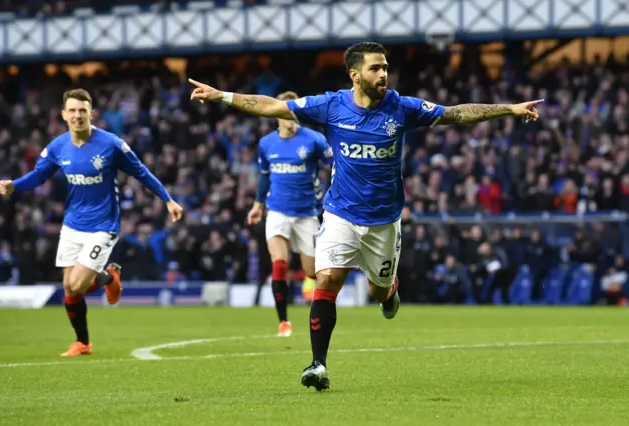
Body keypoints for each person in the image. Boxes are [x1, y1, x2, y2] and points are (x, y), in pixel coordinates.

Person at [189, 41, 543, 391]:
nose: (383, 74)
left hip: (384, 222)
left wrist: (509, 109)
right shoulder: (330, 106)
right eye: (376, 68)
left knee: (377, 290)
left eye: (385, 67)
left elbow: (455, 113)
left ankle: (390, 292)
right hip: (340, 213)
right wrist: (222, 95)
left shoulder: (402, 108)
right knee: (326, 280)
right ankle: (318, 365)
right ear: (355, 74)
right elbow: (271, 107)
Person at [0, 89, 183, 357]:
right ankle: (84, 340)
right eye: (72, 111)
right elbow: (39, 175)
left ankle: (109, 279)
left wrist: (168, 199)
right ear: (63, 115)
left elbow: (141, 171)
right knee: (70, 288)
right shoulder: (57, 147)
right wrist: (14, 185)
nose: (77, 115)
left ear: (91, 113)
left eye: (82, 110)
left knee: (79, 285)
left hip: (103, 225)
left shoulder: (110, 144)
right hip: (73, 224)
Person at [247, 91, 333, 337]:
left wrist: (327, 190)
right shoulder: (266, 144)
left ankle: (309, 283)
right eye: (287, 115)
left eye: (295, 115)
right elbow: (264, 178)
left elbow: (334, 164)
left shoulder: (314, 140)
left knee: (311, 271)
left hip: (307, 213)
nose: (292, 120)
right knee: (279, 262)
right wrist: (257, 205)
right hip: (278, 212)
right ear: (277, 115)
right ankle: (283, 321)